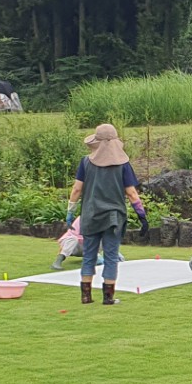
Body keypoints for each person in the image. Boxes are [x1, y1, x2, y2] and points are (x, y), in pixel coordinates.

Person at [66, 123, 149, 305]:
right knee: (111, 256)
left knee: (89, 255)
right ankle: (108, 297)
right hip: (113, 217)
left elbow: (77, 189)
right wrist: (142, 215)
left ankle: (86, 296)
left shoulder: (85, 163)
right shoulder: (123, 165)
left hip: (90, 215)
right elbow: (132, 193)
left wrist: (70, 212)